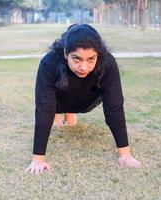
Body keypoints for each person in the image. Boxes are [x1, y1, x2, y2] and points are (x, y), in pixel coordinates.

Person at [26, 24, 141, 174]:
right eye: (77, 59)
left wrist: (125, 154)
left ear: (98, 54)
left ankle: (71, 110)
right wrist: (38, 160)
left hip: (88, 100)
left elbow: (114, 107)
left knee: (105, 97)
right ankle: (63, 111)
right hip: (58, 100)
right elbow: (44, 107)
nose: (84, 67)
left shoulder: (108, 63)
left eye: (91, 59)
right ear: (66, 52)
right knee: (50, 108)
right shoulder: (49, 62)